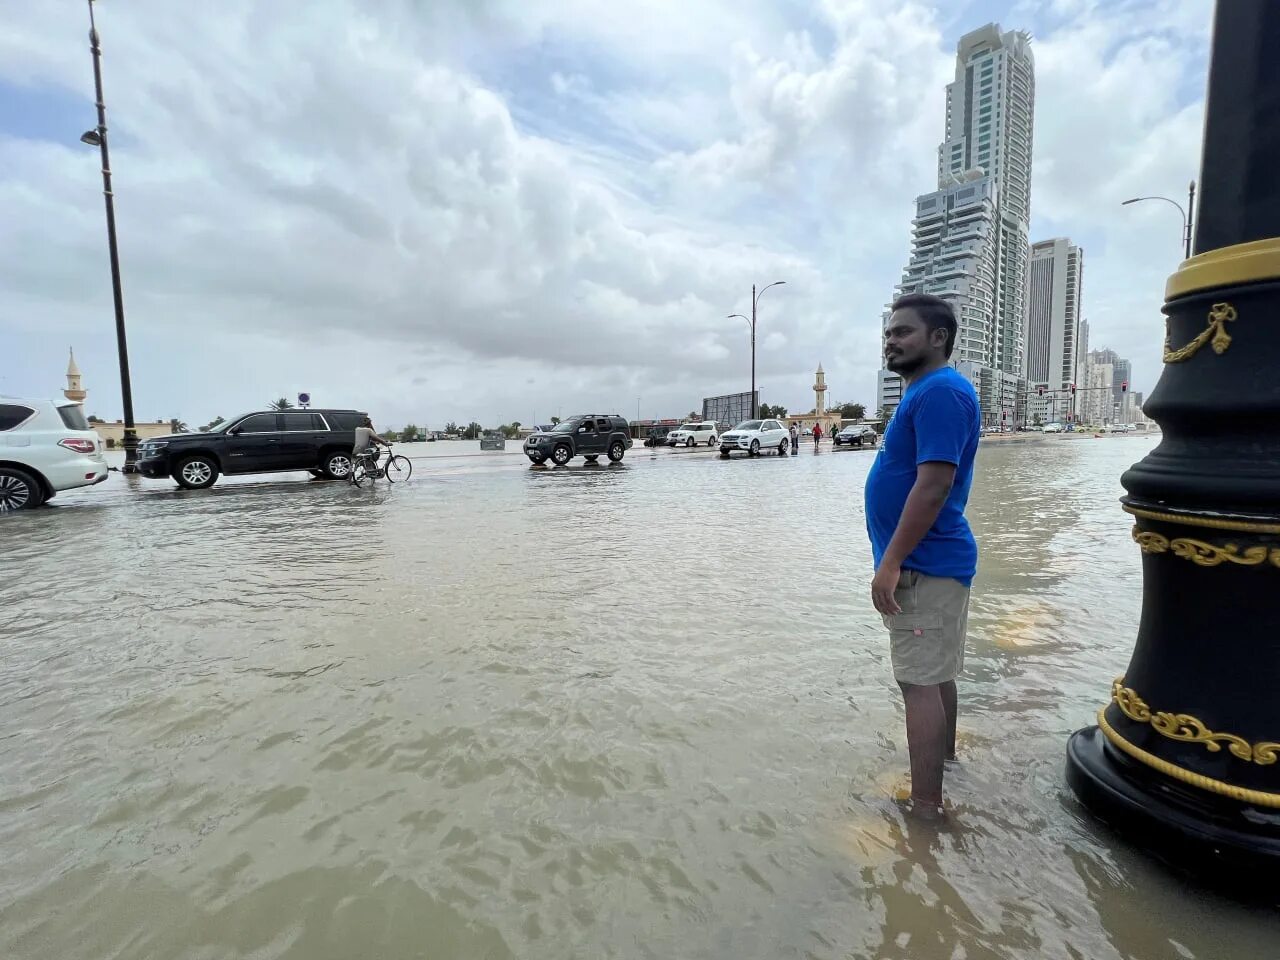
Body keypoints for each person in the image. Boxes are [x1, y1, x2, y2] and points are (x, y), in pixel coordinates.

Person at [864, 292, 980, 820]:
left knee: (917, 683)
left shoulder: (940, 392)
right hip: (931, 563)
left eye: (903, 331)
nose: (891, 340)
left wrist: (890, 562)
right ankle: (946, 767)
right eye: (889, 332)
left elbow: (933, 486)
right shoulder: (928, 391)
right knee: (935, 677)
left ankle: (926, 810)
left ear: (939, 338)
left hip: (922, 565)